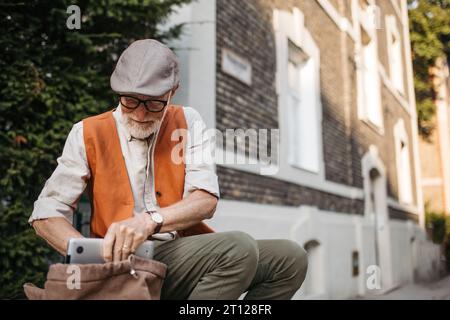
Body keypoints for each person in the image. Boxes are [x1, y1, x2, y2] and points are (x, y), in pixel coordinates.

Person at [29, 39, 308, 300]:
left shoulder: (187, 120)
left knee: (290, 258)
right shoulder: (87, 131)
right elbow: (46, 214)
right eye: (130, 101)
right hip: (123, 262)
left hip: (177, 251)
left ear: (172, 92)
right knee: (239, 248)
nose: (139, 114)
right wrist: (90, 254)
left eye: (153, 103)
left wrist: (149, 220)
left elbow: (205, 199)